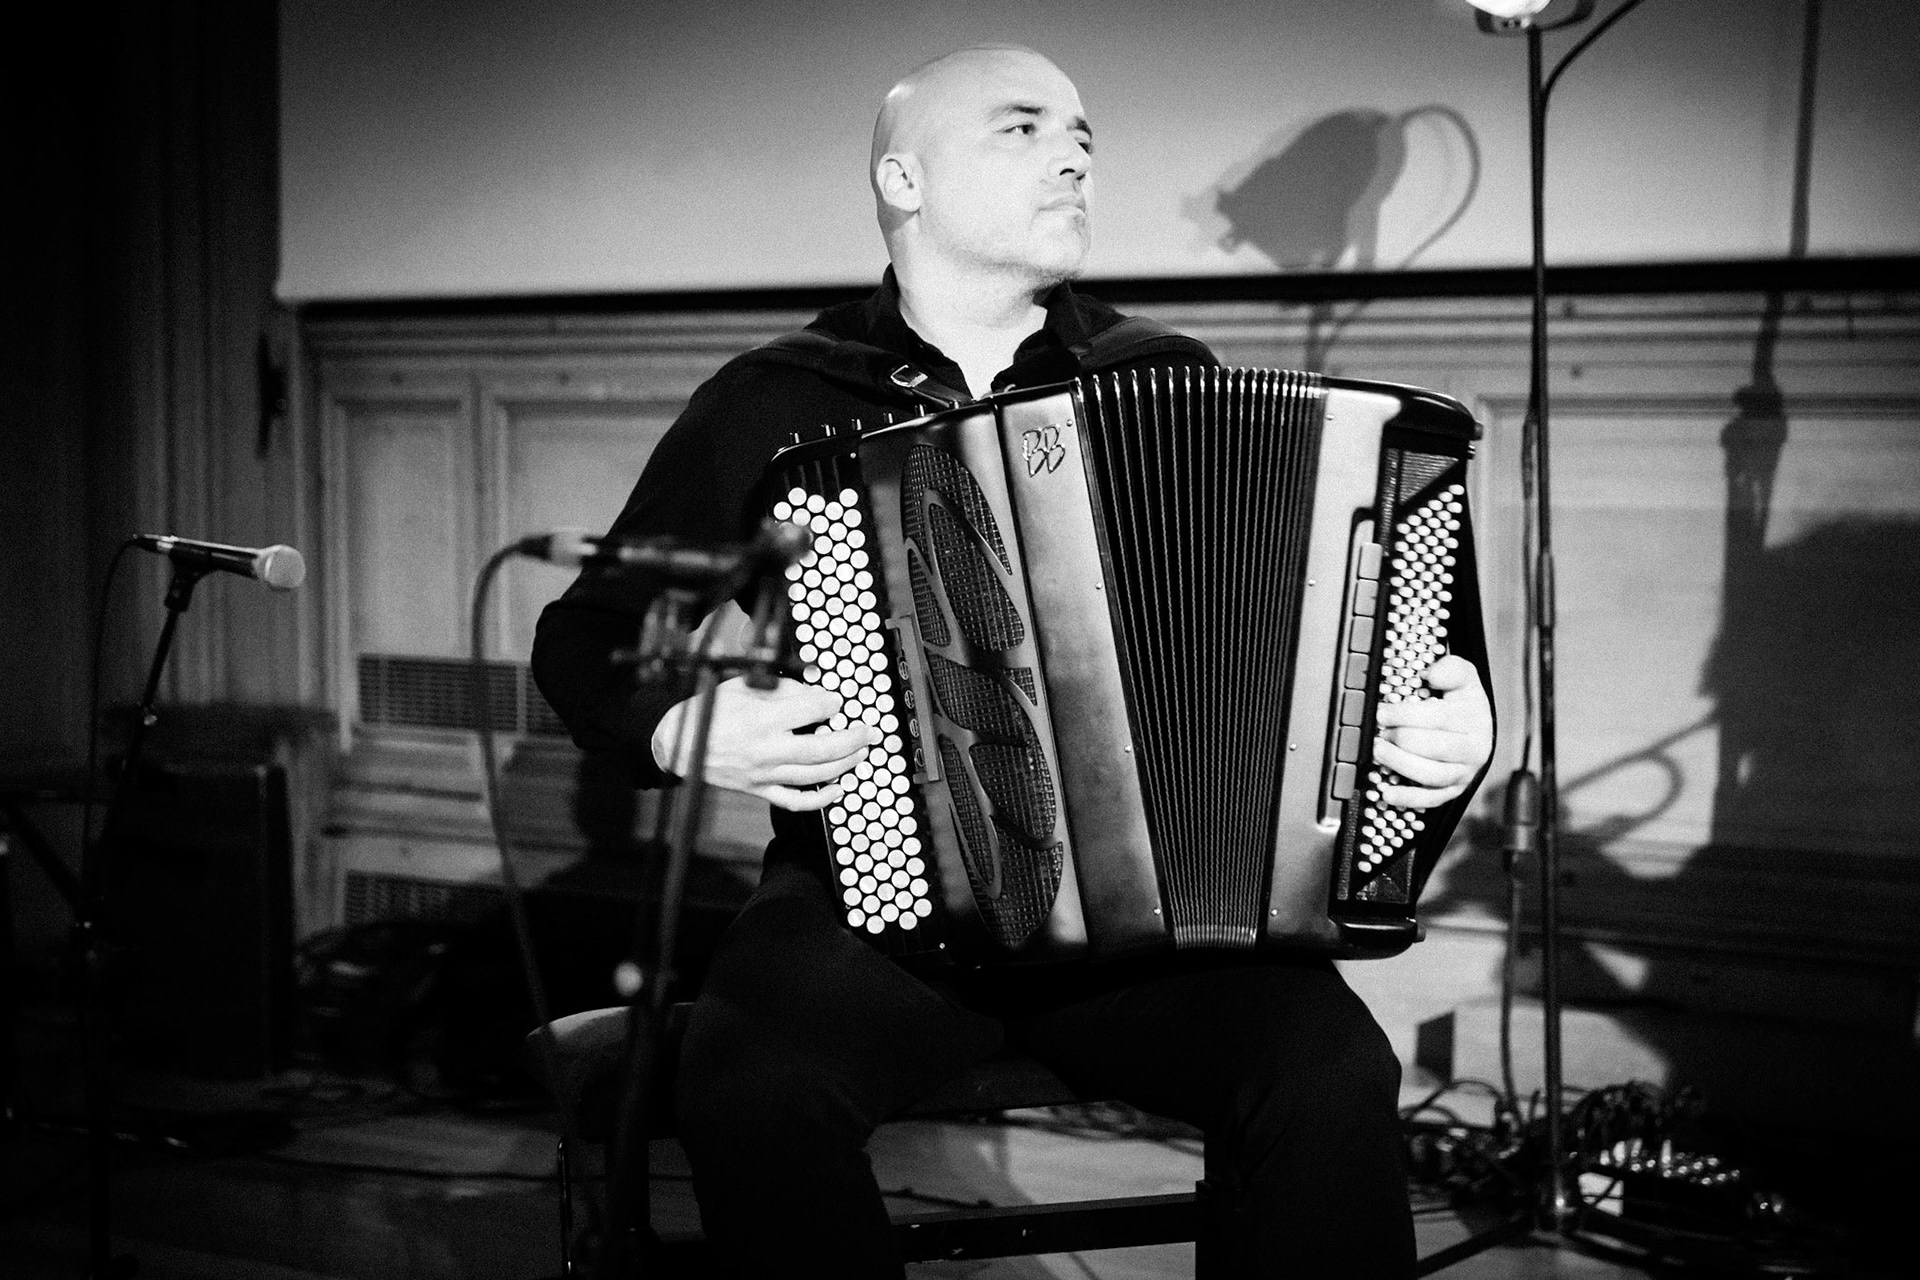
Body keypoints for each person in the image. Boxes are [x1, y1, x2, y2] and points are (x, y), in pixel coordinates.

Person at [532, 44, 1494, 1279]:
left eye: (1084, 130)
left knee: (1330, 1071)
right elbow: (594, 635)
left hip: (1152, 926)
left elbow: (1327, 650)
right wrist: (682, 724)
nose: (1075, 151)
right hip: (868, 911)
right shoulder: (775, 403)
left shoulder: (1164, 378)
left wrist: (1436, 738)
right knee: (752, 1081)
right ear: (905, 179)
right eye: (1023, 127)